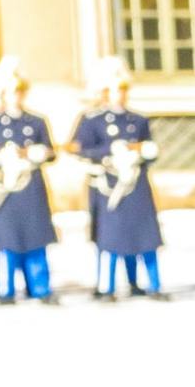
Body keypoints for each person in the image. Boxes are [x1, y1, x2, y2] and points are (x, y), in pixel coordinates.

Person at [0, 64, 59, 304]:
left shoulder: (36, 122)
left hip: (29, 189)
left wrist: (38, 153)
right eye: (10, 92)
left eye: (19, 92)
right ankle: (4, 288)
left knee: (35, 239)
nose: (15, 97)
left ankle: (40, 287)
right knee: (4, 240)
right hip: (1, 190)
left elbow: (51, 151)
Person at [76, 60, 166, 301]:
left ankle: (150, 283)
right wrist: (109, 152)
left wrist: (143, 151)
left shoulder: (138, 120)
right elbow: (80, 148)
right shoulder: (92, 120)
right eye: (116, 90)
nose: (121, 95)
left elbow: (149, 148)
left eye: (123, 90)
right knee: (111, 238)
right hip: (109, 186)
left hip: (136, 185)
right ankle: (106, 286)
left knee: (144, 235)